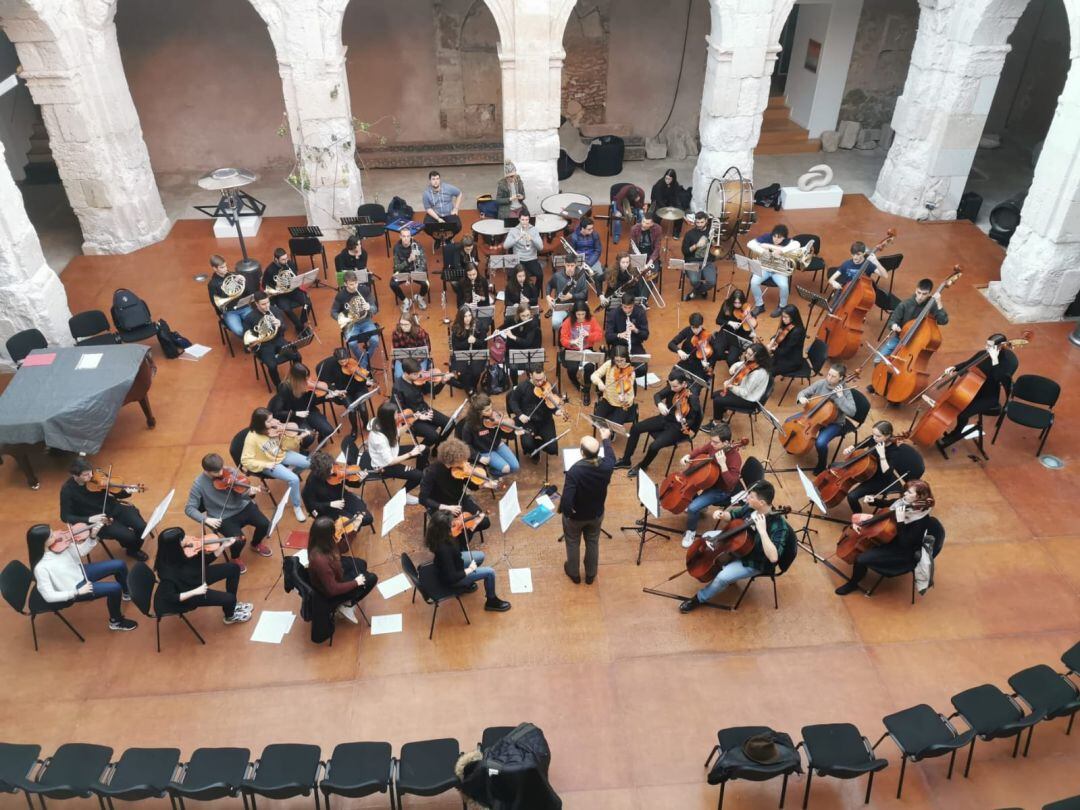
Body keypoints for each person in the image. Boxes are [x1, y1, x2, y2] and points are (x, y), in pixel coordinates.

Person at [679, 480, 791, 612]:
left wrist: (762, 531)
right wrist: (722, 514)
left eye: (751, 496)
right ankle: (721, 563)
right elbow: (733, 515)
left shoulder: (779, 526)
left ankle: (699, 598)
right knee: (707, 536)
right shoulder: (751, 507)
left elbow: (773, 557)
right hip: (735, 544)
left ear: (762, 503)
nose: (747, 498)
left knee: (721, 578)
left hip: (753, 561)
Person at [835, 480, 935, 596]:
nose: (904, 494)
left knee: (860, 558)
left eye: (909, 493)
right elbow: (889, 504)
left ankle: (853, 583)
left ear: (918, 497)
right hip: (890, 537)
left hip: (901, 550)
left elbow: (905, 543)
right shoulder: (905, 503)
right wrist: (874, 501)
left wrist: (901, 522)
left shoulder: (921, 521)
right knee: (859, 525)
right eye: (905, 491)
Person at [32, 523, 137, 631]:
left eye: (52, 531)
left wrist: (92, 537)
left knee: (119, 564)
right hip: (75, 588)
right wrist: (76, 592)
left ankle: (127, 593)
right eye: (50, 536)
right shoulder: (40, 568)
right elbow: (48, 596)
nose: (55, 534)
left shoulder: (60, 546)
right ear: (41, 542)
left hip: (79, 572)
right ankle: (116, 621)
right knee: (114, 588)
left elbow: (81, 551)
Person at [184, 453, 269, 571]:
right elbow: (189, 508)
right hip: (222, 516)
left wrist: (250, 493)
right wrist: (206, 519)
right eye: (215, 472)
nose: (220, 473)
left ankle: (255, 544)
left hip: (242, 506)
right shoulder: (198, 484)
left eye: (221, 469)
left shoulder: (230, 471)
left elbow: (242, 493)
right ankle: (235, 557)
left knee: (265, 524)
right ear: (206, 471)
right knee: (238, 540)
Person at [153, 527, 252, 625]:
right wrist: (196, 591)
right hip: (189, 590)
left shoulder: (180, 552)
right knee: (230, 598)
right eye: (182, 538)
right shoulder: (167, 573)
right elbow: (171, 597)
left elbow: (204, 561)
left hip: (196, 575)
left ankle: (232, 605)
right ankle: (230, 616)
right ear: (173, 546)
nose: (188, 537)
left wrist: (223, 546)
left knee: (233, 568)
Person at [936, 333, 1016, 452]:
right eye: (987, 345)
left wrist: (994, 360)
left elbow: (998, 378)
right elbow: (968, 363)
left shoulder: (1005, 363)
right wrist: (954, 367)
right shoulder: (983, 354)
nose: (986, 348)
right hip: (973, 389)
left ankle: (956, 433)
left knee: (963, 413)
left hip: (988, 397)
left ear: (999, 347)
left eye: (990, 346)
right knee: (957, 403)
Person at [616, 369, 701, 478]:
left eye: (675, 387)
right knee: (636, 427)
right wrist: (660, 404)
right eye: (671, 386)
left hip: (678, 427)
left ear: (684, 384)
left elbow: (693, 420)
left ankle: (643, 466)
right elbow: (657, 395)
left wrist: (684, 421)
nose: (672, 389)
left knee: (654, 446)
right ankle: (626, 460)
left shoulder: (693, 398)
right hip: (665, 418)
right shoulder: (672, 387)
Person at [59, 458, 148, 561]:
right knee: (129, 536)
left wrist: (127, 491)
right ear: (74, 475)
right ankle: (133, 550)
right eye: (86, 475)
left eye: (90, 472)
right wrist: (89, 519)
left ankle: (134, 547)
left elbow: (118, 493)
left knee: (142, 526)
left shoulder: (98, 476)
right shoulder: (67, 491)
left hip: (115, 507)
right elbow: (65, 516)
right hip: (99, 519)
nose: (91, 476)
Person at [869, 278, 949, 391]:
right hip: (900, 338)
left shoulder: (932, 305)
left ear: (930, 293)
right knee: (878, 359)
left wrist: (939, 302)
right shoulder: (905, 304)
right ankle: (878, 384)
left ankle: (896, 390)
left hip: (917, 344)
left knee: (903, 370)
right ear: (916, 290)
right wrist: (894, 326)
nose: (920, 296)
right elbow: (893, 320)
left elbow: (943, 321)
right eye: (919, 293)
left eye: (924, 294)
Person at [560, 427, 616, 584]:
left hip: (576, 517)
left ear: (582, 452)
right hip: (596, 514)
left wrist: (567, 513)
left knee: (572, 542)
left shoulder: (574, 472)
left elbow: (567, 500)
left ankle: (574, 573)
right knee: (592, 542)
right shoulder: (607, 466)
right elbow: (611, 456)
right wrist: (606, 438)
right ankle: (591, 574)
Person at [425, 510, 510, 612]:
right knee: (490, 572)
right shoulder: (444, 550)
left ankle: (467, 585)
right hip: (453, 579)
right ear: (444, 529)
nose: (456, 524)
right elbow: (451, 577)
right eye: (451, 524)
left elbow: (463, 541)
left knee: (480, 556)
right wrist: (470, 569)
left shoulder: (441, 536)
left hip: (455, 563)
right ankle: (491, 602)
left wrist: (476, 522)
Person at [678, 423, 744, 548]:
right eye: (711, 441)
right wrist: (689, 456)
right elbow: (701, 450)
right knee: (689, 491)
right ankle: (702, 505)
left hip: (721, 490)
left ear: (725, 443)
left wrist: (723, 465)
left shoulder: (735, 458)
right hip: (709, 481)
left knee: (692, 508)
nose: (711, 445)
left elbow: (731, 483)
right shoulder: (713, 444)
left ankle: (691, 531)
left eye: (715, 442)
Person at [241, 407, 312, 522]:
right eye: (269, 421)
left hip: (282, 453)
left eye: (272, 418)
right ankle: (297, 506)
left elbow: (287, 446)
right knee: (294, 480)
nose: (273, 422)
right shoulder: (251, 438)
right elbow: (246, 460)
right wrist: (265, 464)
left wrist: (295, 437)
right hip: (270, 463)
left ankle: (291, 470)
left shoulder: (275, 428)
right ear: (260, 423)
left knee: (311, 462)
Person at [306, 516, 378, 624]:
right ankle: (345, 604)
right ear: (327, 535)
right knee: (371, 578)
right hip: (332, 589)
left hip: (336, 568)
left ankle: (350, 594)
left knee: (362, 564)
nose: (336, 535)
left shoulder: (319, 541)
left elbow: (342, 548)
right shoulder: (320, 561)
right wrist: (355, 582)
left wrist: (354, 529)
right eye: (333, 532)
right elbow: (333, 589)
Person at [419, 438, 495, 536]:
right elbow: (422, 499)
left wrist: (483, 485)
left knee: (484, 522)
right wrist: (447, 507)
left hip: (459, 500)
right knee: (454, 530)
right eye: (461, 460)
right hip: (441, 506)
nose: (465, 462)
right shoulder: (432, 472)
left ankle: (465, 532)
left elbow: (472, 486)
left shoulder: (460, 469)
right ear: (450, 462)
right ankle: (462, 536)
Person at [794, 363, 857, 475]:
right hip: (814, 415)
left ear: (841, 378)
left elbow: (852, 411)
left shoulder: (845, 391)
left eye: (833, 376)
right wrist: (802, 398)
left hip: (834, 423)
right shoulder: (822, 383)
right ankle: (794, 444)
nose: (829, 378)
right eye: (828, 374)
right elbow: (803, 392)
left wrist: (840, 396)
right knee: (790, 421)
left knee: (821, 443)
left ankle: (822, 464)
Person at [359, 400, 426, 501]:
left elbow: (397, 433)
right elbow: (390, 461)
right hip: (384, 465)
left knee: (425, 449)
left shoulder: (382, 422)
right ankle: (403, 495)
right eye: (396, 414)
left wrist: (410, 422)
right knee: (420, 476)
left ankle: (417, 473)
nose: (399, 415)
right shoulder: (378, 439)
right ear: (389, 418)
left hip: (393, 450)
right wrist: (411, 453)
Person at [839, 421, 907, 513]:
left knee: (852, 496)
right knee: (834, 466)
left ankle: (859, 517)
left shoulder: (894, 451)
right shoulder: (873, 439)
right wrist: (851, 448)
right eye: (873, 434)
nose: (874, 438)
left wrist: (882, 455)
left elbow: (887, 473)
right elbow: (860, 445)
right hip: (866, 471)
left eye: (878, 436)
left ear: (887, 436)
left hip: (879, 479)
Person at [301, 451, 373, 530]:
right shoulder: (312, 482)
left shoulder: (334, 468)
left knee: (368, 518)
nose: (333, 470)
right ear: (321, 472)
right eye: (329, 470)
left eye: (332, 466)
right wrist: (330, 504)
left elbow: (350, 482)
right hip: (329, 508)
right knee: (351, 524)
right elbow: (311, 505)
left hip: (344, 497)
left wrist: (360, 479)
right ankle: (347, 530)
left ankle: (352, 527)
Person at [270, 362, 336, 447]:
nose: (308, 381)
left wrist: (325, 397)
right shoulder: (284, 388)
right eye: (305, 378)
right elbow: (277, 412)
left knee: (328, 430)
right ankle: (304, 448)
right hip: (295, 417)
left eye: (307, 377)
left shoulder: (306, 384)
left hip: (309, 410)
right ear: (296, 379)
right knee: (309, 438)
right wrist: (296, 413)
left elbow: (312, 401)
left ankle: (321, 437)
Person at [707, 343, 771, 430]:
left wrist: (731, 387)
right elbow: (742, 363)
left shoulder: (758, 373)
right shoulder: (754, 362)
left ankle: (716, 424)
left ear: (758, 356)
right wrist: (734, 366)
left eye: (749, 354)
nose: (746, 356)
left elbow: (745, 392)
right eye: (746, 353)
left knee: (718, 400)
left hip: (749, 400)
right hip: (743, 391)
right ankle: (724, 418)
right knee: (715, 395)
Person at [242, 291, 300, 388]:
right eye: (263, 304)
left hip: (277, 339)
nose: (266, 306)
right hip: (263, 345)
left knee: (297, 356)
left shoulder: (275, 311)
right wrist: (250, 346)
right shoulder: (249, 318)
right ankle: (279, 386)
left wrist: (280, 324)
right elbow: (246, 337)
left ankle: (297, 379)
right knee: (272, 366)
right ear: (256, 304)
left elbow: (284, 329)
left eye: (268, 302)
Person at [507, 366, 563, 460]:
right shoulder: (522, 387)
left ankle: (537, 445)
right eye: (537, 380)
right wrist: (520, 415)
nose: (540, 383)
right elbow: (513, 401)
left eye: (542, 379)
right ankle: (534, 448)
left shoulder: (549, 386)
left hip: (545, 421)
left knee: (552, 449)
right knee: (527, 445)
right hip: (528, 422)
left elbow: (553, 403)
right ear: (530, 376)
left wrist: (556, 410)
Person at [460, 393, 521, 477]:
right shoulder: (469, 426)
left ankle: (496, 468)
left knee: (515, 467)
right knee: (506, 468)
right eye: (487, 410)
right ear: (478, 412)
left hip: (497, 444)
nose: (491, 411)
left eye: (491, 408)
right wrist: (479, 458)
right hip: (484, 450)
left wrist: (512, 432)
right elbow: (466, 445)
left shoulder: (495, 418)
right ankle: (493, 472)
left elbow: (505, 435)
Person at [394, 358, 452, 446]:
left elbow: (434, 391)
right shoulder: (398, 387)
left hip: (425, 410)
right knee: (433, 436)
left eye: (419, 373)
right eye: (415, 374)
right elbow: (399, 411)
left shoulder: (420, 378)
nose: (419, 376)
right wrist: (418, 416)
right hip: (412, 418)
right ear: (406, 373)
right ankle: (422, 453)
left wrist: (443, 382)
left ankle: (437, 447)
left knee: (450, 423)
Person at [747, 224, 801, 316]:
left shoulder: (788, 242)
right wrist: (764, 251)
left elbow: (797, 244)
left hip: (779, 271)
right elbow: (750, 243)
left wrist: (781, 251)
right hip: (764, 268)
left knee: (784, 286)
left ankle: (782, 307)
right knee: (754, 282)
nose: (776, 239)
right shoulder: (767, 237)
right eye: (774, 236)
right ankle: (760, 305)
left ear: (784, 238)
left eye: (779, 238)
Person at [331, 270, 381, 369]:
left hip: (366, 321)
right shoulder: (340, 295)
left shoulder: (364, 290)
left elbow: (375, 308)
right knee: (352, 343)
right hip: (351, 324)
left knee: (375, 340)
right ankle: (364, 362)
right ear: (345, 284)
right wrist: (343, 319)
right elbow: (333, 312)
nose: (354, 286)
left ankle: (363, 364)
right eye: (351, 285)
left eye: (356, 283)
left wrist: (369, 307)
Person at [559, 302, 602, 405]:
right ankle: (576, 383)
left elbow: (599, 335)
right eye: (578, 314)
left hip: (587, 348)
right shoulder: (568, 321)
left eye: (583, 314)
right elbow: (562, 339)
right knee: (572, 369)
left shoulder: (591, 320)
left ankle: (586, 390)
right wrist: (572, 342)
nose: (581, 317)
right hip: (572, 349)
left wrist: (589, 335)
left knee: (589, 368)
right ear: (574, 314)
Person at [263, 247, 311, 334]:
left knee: (308, 303)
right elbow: (264, 285)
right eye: (283, 260)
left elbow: (295, 277)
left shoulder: (290, 264)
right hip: (280, 295)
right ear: (276, 259)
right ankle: (300, 327)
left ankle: (300, 323)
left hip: (293, 290)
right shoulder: (270, 270)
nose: (286, 261)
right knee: (287, 309)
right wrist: (275, 290)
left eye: (286, 258)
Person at [208, 254, 256, 337]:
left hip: (243, 306)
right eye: (222, 267)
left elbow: (248, 292)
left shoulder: (233, 275)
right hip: (229, 311)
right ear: (214, 268)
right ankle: (250, 343)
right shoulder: (212, 284)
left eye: (225, 266)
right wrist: (220, 315)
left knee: (257, 323)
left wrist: (244, 281)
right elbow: (215, 303)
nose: (226, 269)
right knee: (239, 331)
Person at [591, 345, 637, 424]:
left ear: (626, 358)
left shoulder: (630, 371)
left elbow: (628, 388)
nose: (619, 363)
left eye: (622, 360)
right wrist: (599, 383)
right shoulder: (609, 364)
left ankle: (611, 434)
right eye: (617, 360)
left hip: (623, 404)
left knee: (615, 425)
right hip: (608, 400)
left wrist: (623, 395)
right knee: (597, 420)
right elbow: (594, 375)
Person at [450, 306, 490, 394]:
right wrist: (467, 342)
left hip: (477, 354)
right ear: (461, 317)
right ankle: (470, 390)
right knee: (464, 372)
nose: (468, 319)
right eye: (465, 316)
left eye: (469, 315)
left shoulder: (478, 325)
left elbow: (483, 343)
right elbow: (456, 347)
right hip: (462, 355)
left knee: (476, 371)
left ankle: (473, 387)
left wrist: (475, 341)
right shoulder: (456, 328)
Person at [546, 252, 590, 331]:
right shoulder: (557, 276)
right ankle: (564, 333)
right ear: (564, 264)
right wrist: (548, 297)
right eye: (568, 265)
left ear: (576, 264)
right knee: (555, 324)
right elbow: (549, 285)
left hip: (577, 307)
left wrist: (572, 296)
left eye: (572, 265)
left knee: (583, 325)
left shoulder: (581, 276)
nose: (570, 268)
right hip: (561, 306)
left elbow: (585, 294)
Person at [713, 289, 756, 368]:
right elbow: (718, 320)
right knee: (717, 353)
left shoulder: (747, 308)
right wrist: (729, 322)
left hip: (739, 336)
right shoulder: (726, 305)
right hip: (726, 332)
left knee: (731, 360)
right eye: (735, 302)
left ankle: (734, 367)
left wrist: (751, 327)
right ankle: (730, 355)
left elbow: (753, 324)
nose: (737, 305)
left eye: (739, 303)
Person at [680, 211, 717, 301]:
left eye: (702, 222)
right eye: (697, 222)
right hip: (692, 261)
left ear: (706, 221)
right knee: (694, 280)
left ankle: (694, 292)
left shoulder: (711, 232)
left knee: (712, 282)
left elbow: (716, 251)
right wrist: (696, 245)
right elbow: (685, 252)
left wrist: (713, 242)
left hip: (707, 261)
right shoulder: (689, 234)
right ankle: (702, 291)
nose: (699, 225)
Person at [503, 208, 544, 286]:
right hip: (518, 259)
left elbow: (541, 247)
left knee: (540, 275)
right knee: (510, 275)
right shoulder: (514, 230)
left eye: (527, 220)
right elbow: (505, 246)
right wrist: (517, 238)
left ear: (529, 219)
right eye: (523, 220)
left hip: (531, 258)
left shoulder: (534, 230)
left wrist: (532, 239)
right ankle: (514, 292)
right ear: (519, 219)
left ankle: (535, 292)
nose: (525, 222)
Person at [669, 312, 712, 384]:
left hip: (699, 367)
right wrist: (679, 351)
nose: (695, 330)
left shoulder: (707, 337)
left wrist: (706, 365)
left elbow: (712, 357)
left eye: (697, 328)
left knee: (692, 388)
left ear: (701, 325)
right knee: (673, 378)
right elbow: (671, 344)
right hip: (686, 362)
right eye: (693, 328)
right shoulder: (687, 330)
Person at [392, 230, 430, 310]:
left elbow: (423, 262)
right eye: (404, 236)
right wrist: (408, 260)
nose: (406, 238)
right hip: (403, 272)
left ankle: (419, 298)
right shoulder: (396, 248)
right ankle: (406, 301)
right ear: (400, 237)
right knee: (393, 284)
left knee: (426, 284)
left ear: (411, 237)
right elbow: (397, 267)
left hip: (415, 271)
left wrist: (415, 274)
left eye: (408, 236)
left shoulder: (417, 245)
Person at [423, 170, 463, 247]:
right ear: (430, 181)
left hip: (448, 214)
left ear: (440, 180)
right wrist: (438, 219)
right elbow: (428, 208)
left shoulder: (448, 188)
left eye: (437, 179)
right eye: (433, 179)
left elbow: (459, 193)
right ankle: (437, 239)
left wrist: (456, 208)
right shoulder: (426, 193)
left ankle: (448, 238)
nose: (436, 181)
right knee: (425, 226)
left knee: (458, 226)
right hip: (435, 215)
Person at [391, 315, 433, 382]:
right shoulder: (396, 333)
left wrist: (415, 363)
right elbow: (397, 350)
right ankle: (402, 391)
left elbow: (427, 349)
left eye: (406, 324)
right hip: (403, 360)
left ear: (412, 324)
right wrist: (406, 363)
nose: (403, 327)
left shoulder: (421, 333)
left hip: (419, 359)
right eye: (401, 324)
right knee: (399, 376)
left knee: (419, 377)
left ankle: (418, 391)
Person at [768, 305, 806, 377]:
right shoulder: (787, 324)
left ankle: (768, 385)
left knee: (771, 371)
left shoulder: (797, 332)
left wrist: (773, 350)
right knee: (766, 363)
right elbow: (779, 334)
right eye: (782, 316)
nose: (783, 319)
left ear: (793, 317)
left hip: (792, 360)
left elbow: (785, 351)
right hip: (784, 353)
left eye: (786, 317)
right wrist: (773, 339)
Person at [568, 216, 603, 283]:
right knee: (576, 278)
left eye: (592, 228)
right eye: (589, 229)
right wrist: (580, 262)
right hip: (579, 260)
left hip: (592, 258)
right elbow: (572, 252)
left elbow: (598, 250)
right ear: (582, 228)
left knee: (600, 275)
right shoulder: (574, 237)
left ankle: (600, 292)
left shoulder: (595, 234)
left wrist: (589, 263)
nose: (591, 230)